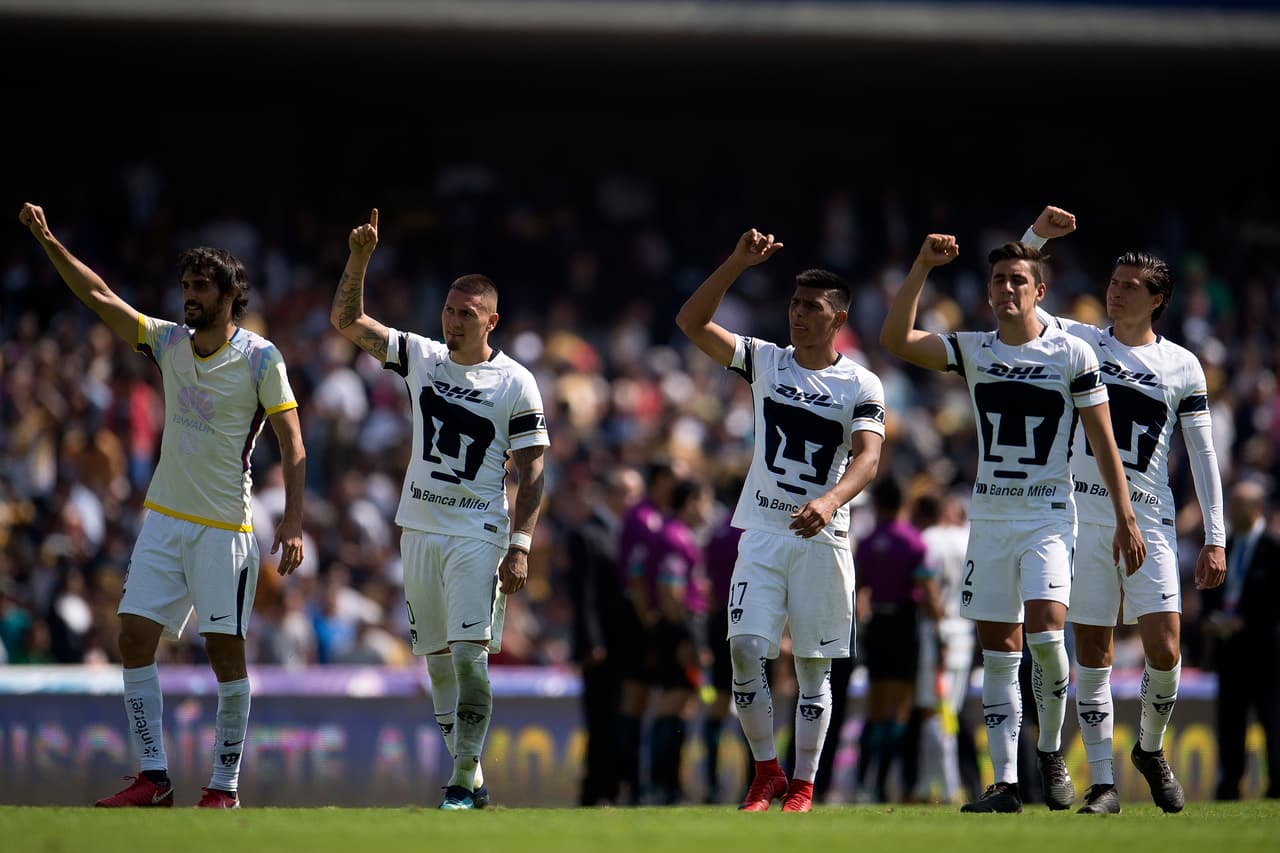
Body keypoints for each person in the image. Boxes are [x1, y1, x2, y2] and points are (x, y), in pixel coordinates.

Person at [18, 203, 307, 809]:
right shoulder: (169, 342)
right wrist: (50, 242)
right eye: (185, 286)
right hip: (164, 523)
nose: (189, 296)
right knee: (131, 638)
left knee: (224, 654)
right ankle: (155, 778)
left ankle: (223, 787)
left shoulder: (261, 357)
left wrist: (294, 520)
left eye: (201, 287)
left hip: (225, 529)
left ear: (231, 294)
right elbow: (100, 297)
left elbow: (292, 444)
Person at [879, 232, 1145, 814]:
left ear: (1039, 291)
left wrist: (1125, 514)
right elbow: (895, 338)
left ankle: (1049, 753)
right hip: (992, 517)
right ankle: (1003, 784)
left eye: (1017, 279)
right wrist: (922, 264)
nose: (1006, 288)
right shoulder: (973, 349)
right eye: (999, 279)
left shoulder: (1072, 353)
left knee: (1048, 641)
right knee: (999, 652)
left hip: (1049, 515)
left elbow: (1103, 441)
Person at [331, 208, 548, 810]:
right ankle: (474, 781)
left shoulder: (516, 383)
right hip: (418, 527)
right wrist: (359, 258)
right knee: (437, 664)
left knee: (470, 657)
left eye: (467, 315)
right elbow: (346, 320)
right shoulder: (421, 357)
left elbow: (532, 471)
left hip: (479, 533)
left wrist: (521, 543)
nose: (453, 323)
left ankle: (459, 778)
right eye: (449, 312)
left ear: (491, 322)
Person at [1023, 205, 1228, 814]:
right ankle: (1105, 783)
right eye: (1113, 283)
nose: (1115, 293)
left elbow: (1204, 452)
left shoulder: (1182, 365)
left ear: (1157, 299)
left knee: (1165, 647)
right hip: (1084, 517)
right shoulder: (1081, 340)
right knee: (1094, 649)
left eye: (1130, 287)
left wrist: (1215, 537)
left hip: (1152, 519)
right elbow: (1022, 303)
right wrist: (1037, 238)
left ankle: (1149, 747)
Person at [676, 228, 885, 813]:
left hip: (825, 537)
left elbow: (869, 458)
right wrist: (735, 264)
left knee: (814, 669)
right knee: (744, 646)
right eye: (794, 304)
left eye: (811, 307)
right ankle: (766, 769)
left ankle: (804, 783)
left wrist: (830, 501)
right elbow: (691, 323)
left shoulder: (861, 383)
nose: (798, 314)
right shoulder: (766, 360)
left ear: (837, 317)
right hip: (764, 531)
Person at [852, 476, 934, 803]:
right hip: (903, 624)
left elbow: (858, 588)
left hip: (877, 627)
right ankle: (886, 784)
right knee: (898, 709)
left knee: (874, 707)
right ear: (902, 504)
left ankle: (863, 781)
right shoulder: (913, 542)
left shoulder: (869, 541)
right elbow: (927, 592)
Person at [567, 465, 644, 806]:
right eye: (628, 493)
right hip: (602, 645)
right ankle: (595, 790)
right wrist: (590, 640)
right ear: (612, 494)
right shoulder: (588, 535)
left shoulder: (632, 534)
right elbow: (582, 596)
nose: (633, 500)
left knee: (619, 718)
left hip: (628, 644)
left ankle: (615, 788)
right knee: (600, 719)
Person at [1202, 479, 1280, 800]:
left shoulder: (1273, 551)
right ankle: (1229, 784)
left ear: (1258, 507)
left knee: (1272, 722)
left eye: (1239, 503)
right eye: (1231, 503)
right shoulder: (1226, 548)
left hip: (1265, 654)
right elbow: (1210, 593)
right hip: (1229, 652)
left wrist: (1245, 622)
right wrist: (1210, 621)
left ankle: (1277, 784)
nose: (1232, 510)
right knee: (1230, 724)